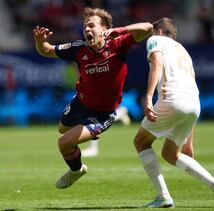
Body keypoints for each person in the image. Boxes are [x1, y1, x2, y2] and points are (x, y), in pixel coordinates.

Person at [33, 7, 152, 189]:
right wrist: (39, 41)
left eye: (91, 26)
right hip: (80, 102)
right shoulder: (78, 48)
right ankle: (88, 135)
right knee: (62, 130)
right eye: (85, 27)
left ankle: (76, 170)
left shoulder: (118, 44)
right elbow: (46, 50)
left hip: (103, 113)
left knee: (64, 143)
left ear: (104, 29)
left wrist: (121, 30)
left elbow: (148, 28)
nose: (87, 30)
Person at [133, 17, 214, 208]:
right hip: (194, 104)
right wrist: (190, 140)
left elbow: (157, 63)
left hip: (172, 99)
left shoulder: (155, 40)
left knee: (140, 142)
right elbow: (190, 85)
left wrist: (147, 97)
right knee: (171, 154)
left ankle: (163, 197)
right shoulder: (183, 50)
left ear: (160, 31)